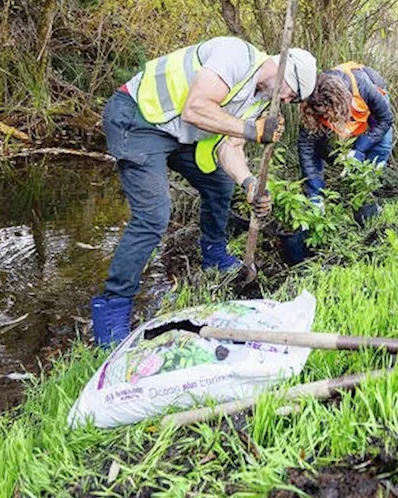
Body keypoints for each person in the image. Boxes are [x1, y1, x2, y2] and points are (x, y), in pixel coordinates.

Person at [93, 38, 318, 346]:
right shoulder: (235, 54)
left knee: (220, 183)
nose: (290, 101)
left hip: (177, 135)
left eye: (293, 100)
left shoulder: (262, 100)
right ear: (284, 71)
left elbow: (229, 146)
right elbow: (195, 108)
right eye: (293, 94)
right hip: (138, 117)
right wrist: (253, 130)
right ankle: (112, 309)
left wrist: (249, 183)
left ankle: (213, 254)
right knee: (153, 215)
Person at [298, 62, 395, 204]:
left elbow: (385, 120)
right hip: (344, 106)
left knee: (382, 147)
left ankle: (366, 193)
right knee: (317, 146)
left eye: (328, 113)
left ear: (339, 105)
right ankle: (317, 195)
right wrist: (314, 194)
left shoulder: (365, 88)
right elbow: (308, 151)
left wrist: (359, 149)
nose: (325, 117)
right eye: (322, 114)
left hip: (371, 102)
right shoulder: (313, 105)